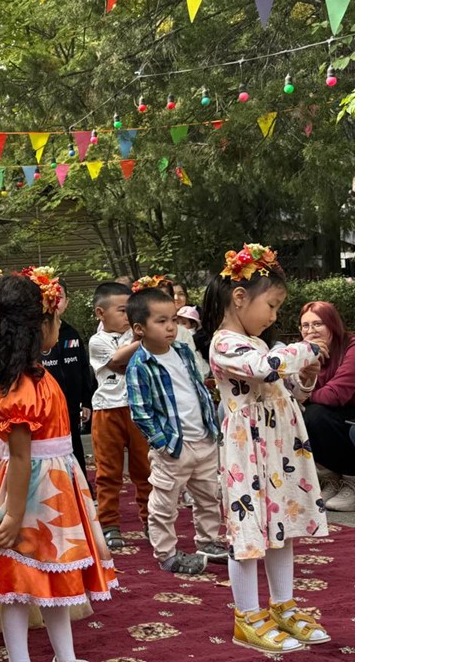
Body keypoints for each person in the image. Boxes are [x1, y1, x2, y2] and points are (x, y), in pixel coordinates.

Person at [0, 268, 118, 662]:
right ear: (38, 327)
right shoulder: (22, 387)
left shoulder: (37, 378)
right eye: (53, 319)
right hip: (34, 493)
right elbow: (21, 456)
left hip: (54, 485)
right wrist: (13, 515)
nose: (58, 326)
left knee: (56, 576)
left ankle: (65, 657)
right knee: (16, 582)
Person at [204, 244, 332, 653]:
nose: (274, 316)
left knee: (282, 525)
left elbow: (290, 389)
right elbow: (264, 369)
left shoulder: (259, 344)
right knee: (248, 531)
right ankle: (247, 616)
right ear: (240, 297)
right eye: (272, 306)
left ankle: (282, 606)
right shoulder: (225, 343)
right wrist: (307, 349)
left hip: (278, 448)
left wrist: (307, 375)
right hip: (247, 451)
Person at [124, 289, 228, 575]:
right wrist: (163, 444)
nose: (171, 327)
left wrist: (210, 427)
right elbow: (140, 411)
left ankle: (208, 541)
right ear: (139, 329)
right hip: (173, 446)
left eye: (173, 319)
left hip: (203, 439)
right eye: (161, 321)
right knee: (164, 503)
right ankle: (167, 554)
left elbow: (197, 387)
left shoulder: (183, 351)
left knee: (209, 496)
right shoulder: (140, 365)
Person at [88, 281, 150, 550]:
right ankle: (109, 524)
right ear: (100, 313)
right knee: (108, 471)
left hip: (138, 409)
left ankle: (151, 520)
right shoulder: (97, 341)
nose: (128, 316)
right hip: (107, 411)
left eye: (131, 311)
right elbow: (117, 361)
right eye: (122, 310)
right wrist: (143, 340)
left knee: (145, 469)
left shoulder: (135, 334)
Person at [299, 301, 355, 511]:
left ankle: (352, 478)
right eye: (306, 326)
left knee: (315, 415)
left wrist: (304, 394)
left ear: (332, 324)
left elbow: (335, 394)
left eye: (317, 324)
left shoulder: (353, 347)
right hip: (334, 414)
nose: (311, 331)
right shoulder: (303, 352)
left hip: (353, 412)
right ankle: (331, 478)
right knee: (299, 413)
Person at [40, 279, 97, 474]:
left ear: (67, 301)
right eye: (50, 298)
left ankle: (82, 485)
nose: (55, 302)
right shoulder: (35, 334)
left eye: (60, 297)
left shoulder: (71, 333)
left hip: (71, 405)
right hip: (46, 408)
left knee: (75, 446)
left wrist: (86, 400)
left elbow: (83, 368)